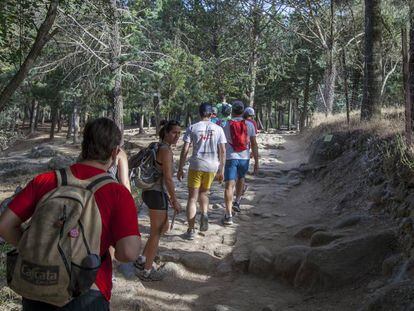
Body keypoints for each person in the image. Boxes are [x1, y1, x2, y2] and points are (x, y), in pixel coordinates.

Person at [0, 117, 141, 310]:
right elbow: (128, 252)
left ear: (83, 146)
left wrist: (43, 249)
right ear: (115, 152)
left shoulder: (45, 180)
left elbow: (5, 225)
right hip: (86, 290)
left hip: (37, 284)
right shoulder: (117, 193)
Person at [135, 120, 182, 281]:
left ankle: (142, 259)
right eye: (174, 132)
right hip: (156, 193)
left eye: (179, 133)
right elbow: (168, 178)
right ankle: (147, 270)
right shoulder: (166, 151)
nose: (177, 136)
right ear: (166, 133)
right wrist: (174, 199)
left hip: (149, 192)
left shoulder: (156, 146)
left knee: (160, 229)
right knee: (157, 232)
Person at [177, 103, 226, 240]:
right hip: (212, 166)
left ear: (199, 113)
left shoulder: (192, 127)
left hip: (196, 164)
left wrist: (180, 168)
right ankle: (204, 213)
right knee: (204, 193)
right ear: (211, 114)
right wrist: (221, 170)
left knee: (192, 198)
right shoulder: (218, 129)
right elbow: (222, 151)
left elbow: (185, 149)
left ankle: (191, 230)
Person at [222, 100, 259, 225]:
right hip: (244, 157)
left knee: (228, 185)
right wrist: (257, 162)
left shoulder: (226, 125)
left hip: (230, 157)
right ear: (243, 111)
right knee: (241, 178)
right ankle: (237, 201)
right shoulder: (250, 125)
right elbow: (253, 143)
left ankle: (228, 215)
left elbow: (222, 145)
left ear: (232, 111)